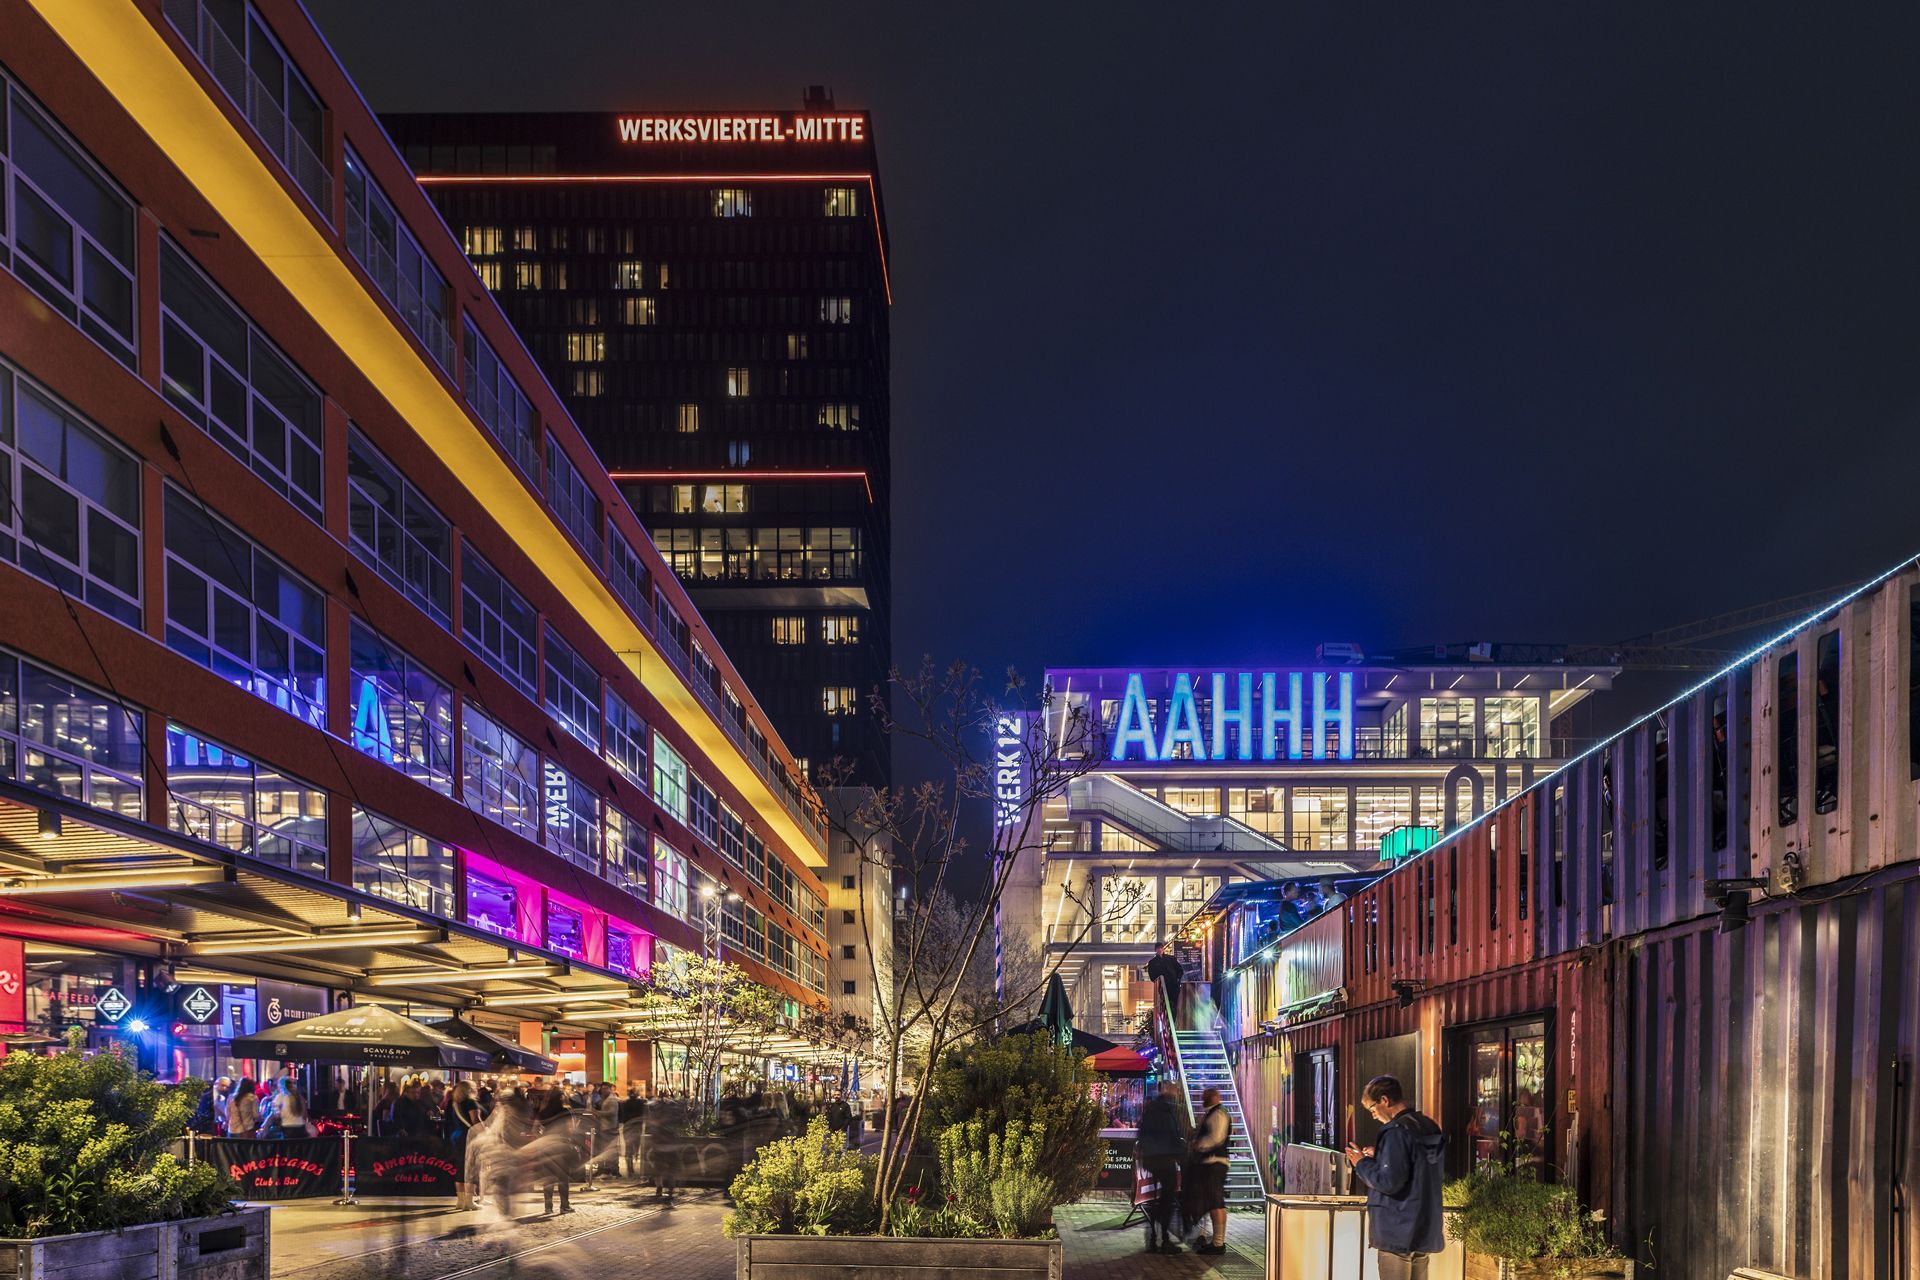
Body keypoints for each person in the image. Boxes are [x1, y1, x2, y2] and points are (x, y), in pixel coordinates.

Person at [1345, 1075, 1446, 1280]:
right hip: (1425, 1227)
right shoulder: (1427, 1125)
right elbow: (1417, 1165)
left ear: (1384, 1100)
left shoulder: (1396, 1132)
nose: (1374, 1116)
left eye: (1372, 1109)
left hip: (1397, 1228)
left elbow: (1388, 1182)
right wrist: (1381, 1156)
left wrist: (1361, 1163)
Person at [1136, 1080, 1189, 1254]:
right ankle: (1164, 1237)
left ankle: (1152, 1237)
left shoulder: (1151, 1108)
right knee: (1167, 1198)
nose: (1177, 1094)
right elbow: (1173, 1134)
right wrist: (1180, 1155)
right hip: (1164, 1159)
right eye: (1175, 1091)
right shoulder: (1167, 1109)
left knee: (1156, 1199)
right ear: (1169, 1091)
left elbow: (1142, 1132)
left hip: (1152, 1158)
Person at [1186, 1086, 1231, 1254]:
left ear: (1213, 1097)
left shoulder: (1218, 1113)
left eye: (1205, 1095)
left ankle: (1218, 1243)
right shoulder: (1213, 1112)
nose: (1202, 1098)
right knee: (1211, 1201)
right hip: (1212, 1163)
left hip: (1215, 1162)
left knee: (1215, 1203)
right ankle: (1211, 1239)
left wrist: (1198, 1144)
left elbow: (1216, 1138)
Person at [447, 1081, 484, 1210]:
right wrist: (485, 1132)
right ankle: (469, 1202)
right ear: (470, 1089)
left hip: (457, 1136)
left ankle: (460, 1201)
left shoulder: (454, 1104)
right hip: (469, 1137)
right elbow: (475, 1120)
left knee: (460, 1167)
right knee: (471, 1168)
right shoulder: (471, 1102)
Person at [617, 1086, 647, 1178]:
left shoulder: (624, 1103)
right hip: (637, 1126)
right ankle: (634, 1162)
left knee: (628, 1147)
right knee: (636, 1146)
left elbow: (621, 1116)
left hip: (627, 1126)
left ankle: (630, 1169)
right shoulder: (642, 1103)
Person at [1145, 945, 1182, 1019]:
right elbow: (1152, 977)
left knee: (1175, 1004)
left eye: (1161, 948)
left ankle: (1174, 1019)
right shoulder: (1152, 962)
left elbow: (1180, 970)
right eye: (1158, 948)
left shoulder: (1171, 959)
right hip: (1163, 987)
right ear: (1156, 950)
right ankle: (1171, 1019)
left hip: (1173, 986)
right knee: (1166, 1005)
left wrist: (1177, 979)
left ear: (1163, 949)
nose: (1159, 950)